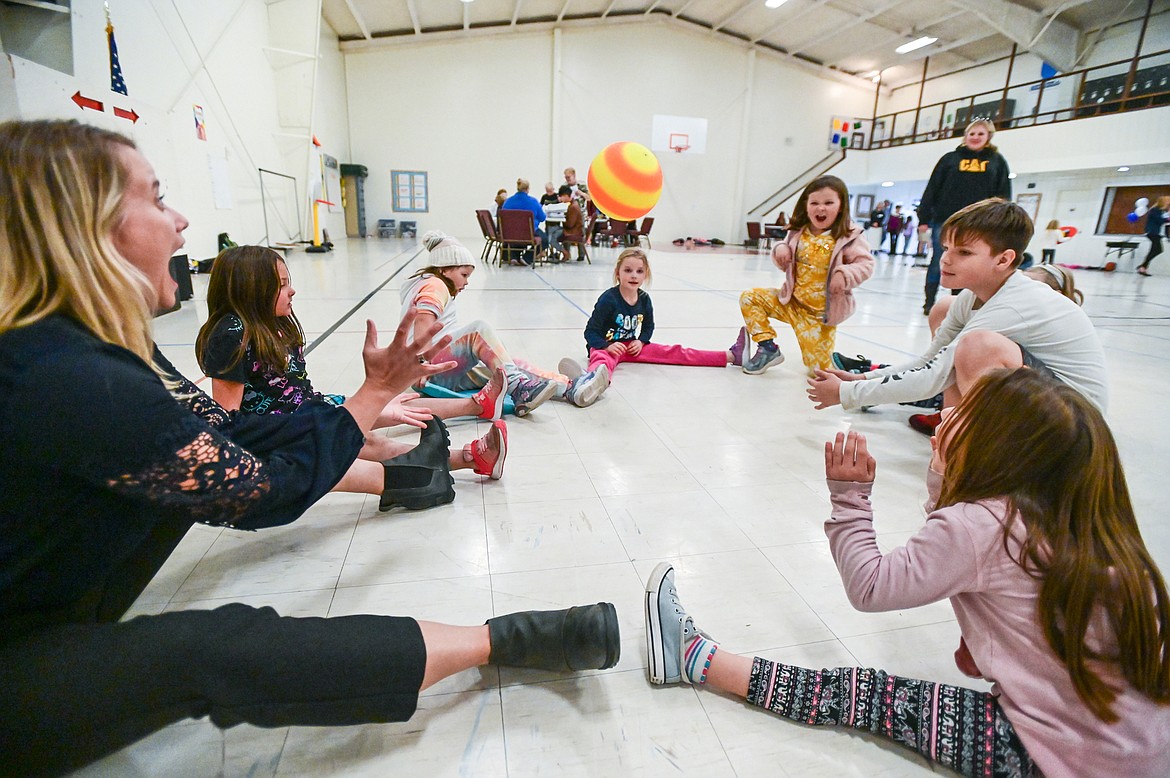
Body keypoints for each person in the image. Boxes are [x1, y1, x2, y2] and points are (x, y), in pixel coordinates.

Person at [0, 119, 621, 776]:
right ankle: (500, 641)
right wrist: (368, 397)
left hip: (56, 612)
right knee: (207, 649)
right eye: (155, 199)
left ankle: (432, 475)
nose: (180, 221)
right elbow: (260, 493)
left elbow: (217, 436)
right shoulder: (64, 377)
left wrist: (368, 401)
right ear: (85, 228)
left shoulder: (84, 353)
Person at [645, 368, 1170, 778]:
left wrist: (850, 501)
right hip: (1138, 749)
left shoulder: (984, 526)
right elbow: (966, 558)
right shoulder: (1095, 525)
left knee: (862, 694)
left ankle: (693, 659)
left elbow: (873, 586)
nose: (944, 416)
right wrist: (944, 481)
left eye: (961, 411)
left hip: (1051, 757)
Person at [195, 246, 509, 496]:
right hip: (286, 428)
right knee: (367, 440)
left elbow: (296, 391)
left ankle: (476, 409)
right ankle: (469, 458)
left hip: (309, 410)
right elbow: (228, 419)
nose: (292, 291)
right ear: (250, 292)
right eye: (281, 286)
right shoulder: (231, 335)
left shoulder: (274, 325)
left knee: (392, 403)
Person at [807, 199, 1107, 434]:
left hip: (1074, 427)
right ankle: (953, 436)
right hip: (1048, 402)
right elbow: (931, 360)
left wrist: (849, 393)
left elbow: (935, 375)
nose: (946, 258)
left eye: (964, 252)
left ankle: (980, 451)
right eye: (946, 247)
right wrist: (862, 378)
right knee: (953, 334)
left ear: (1004, 259)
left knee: (978, 347)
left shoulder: (1016, 301)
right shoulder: (971, 296)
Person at [401, 231, 601, 412]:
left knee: (505, 366)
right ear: (444, 269)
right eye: (463, 275)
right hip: (431, 372)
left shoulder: (421, 284)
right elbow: (423, 320)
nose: (466, 282)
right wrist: (422, 363)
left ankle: (569, 388)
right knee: (479, 330)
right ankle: (519, 388)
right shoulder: (435, 284)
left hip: (440, 373)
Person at [738, 175, 874, 376]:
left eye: (828, 203)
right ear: (806, 205)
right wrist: (781, 249)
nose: (821, 208)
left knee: (818, 372)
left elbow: (865, 264)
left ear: (841, 206)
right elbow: (783, 257)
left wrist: (845, 274)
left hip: (819, 317)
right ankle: (768, 348)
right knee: (750, 298)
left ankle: (851, 366)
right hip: (790, 303)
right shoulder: (798, 230)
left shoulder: (849, 235)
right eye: (815, 203)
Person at [566, 248, 738, 402]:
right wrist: (607, 345)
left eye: (639, 271)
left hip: (632, 347)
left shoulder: (644, 299)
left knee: (675, 352)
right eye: (628, 270)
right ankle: (588, 383)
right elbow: (591, 332)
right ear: (617, 273)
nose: (634, 275)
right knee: (602, 361)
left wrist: (641, 341)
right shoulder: (608, 299)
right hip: (606, 347)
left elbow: (648, 327)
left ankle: (729, 356)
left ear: (645, 275)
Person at [917, 119, 1012, 314]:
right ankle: (929, 302)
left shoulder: (997, 161)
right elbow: (933, 188)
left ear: (988, 137)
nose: (975, 137)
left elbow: (1003, 194)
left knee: (970, 263)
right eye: (972, 134)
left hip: (980, 224)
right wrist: (923, 218)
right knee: (940, 260)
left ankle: (959, 303)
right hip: (946, 220)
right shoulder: (950, 159)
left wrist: (1001, 221)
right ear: (965, 136)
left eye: (980, 134)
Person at [501, 178, 546, 265]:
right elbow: (542, 218)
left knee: (517, 235)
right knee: (544, 240)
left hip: (511, 233)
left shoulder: (508, 202)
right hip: (529, 232)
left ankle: (514, 256)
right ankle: (527, 258)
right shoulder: (533, 202)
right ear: (528, 189)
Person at [1137, 195, 1169, 276]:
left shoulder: (1162, 211)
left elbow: (1165, 223)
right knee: (1158, 249)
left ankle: (1143, 267)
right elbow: (1160, 220)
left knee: (1154, 250)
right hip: (1152, 232)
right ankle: (1142, 266)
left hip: (1157, 233)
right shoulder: (1155, 210)